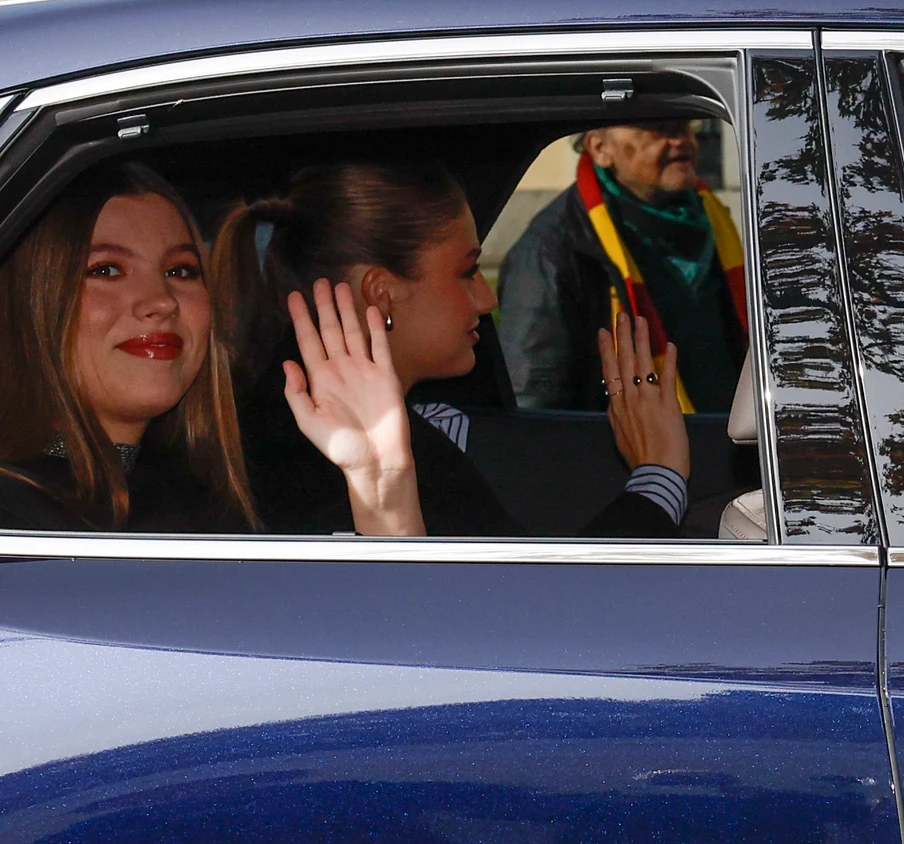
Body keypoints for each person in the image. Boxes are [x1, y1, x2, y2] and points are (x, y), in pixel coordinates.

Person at [215, 162, 689, 538]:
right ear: (382, 292)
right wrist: (660, 476)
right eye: (467, 271)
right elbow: (533, 616)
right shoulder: (338, 453)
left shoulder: (280, 424)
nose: (487, 299)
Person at [0, 162, 416, 534]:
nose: (162, 300)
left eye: (179, 270)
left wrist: (382, 490)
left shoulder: (212, 502)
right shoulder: (15, 520)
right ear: (30, 301)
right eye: (106, 269)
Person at [498, 121, 746, 412]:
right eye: (657, 126)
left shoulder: (709, 217)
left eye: (684, 123)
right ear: (600, 148)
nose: (680, 139)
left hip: (728, 439)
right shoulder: (547, 253)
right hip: (632, 452)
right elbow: (535, 407)